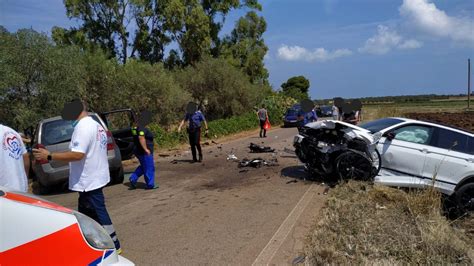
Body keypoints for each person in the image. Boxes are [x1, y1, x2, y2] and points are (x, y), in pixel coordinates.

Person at [33, 99, 122, 253]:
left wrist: (49, 156)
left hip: (89, 180)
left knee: (98, 212)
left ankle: (114, 244)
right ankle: (92, 243)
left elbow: (77, 155)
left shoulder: (83, 127)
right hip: (93, 177)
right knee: (86, 214)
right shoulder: (96, 124)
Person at [129, 111, 158, 190]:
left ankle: (133, 178)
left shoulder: (136, 127)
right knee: (149, 167)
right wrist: (146, 149)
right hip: (144, 152)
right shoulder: (141, 127)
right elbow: (141, 137)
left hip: (138, 150)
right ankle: (150, 184)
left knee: (144, 166)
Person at [0, 124, 29, 192]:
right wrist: (24, 179)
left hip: (5, 195)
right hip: (21, 188)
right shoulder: (12, 132)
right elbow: (25, 157)